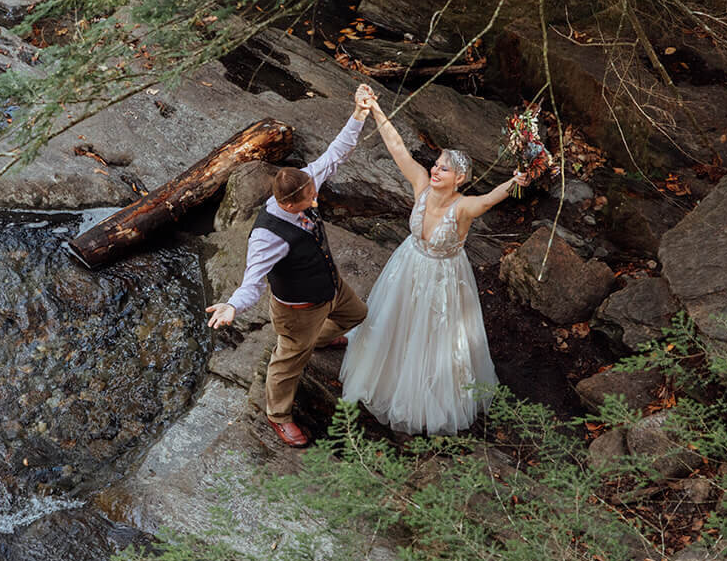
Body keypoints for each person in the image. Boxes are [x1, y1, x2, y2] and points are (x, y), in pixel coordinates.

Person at [339, 92, 530, 435]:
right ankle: (386, 377)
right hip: (409, 265)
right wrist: (377, 110)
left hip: (443, 276)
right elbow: (398, 148)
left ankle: (427, 398)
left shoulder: (464, 207)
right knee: (394, 323)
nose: (435, 169)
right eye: (436, 164)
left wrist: (515, 183)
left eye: (444, 167)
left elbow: (489, 200)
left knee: (434, 337)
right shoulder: (421, 187)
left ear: (459, 178)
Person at [205, 88, 372, 447]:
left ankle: (317, 340)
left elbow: (335, 154)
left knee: (357, 314)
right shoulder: (267, 237)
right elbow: (253, 281)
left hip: (331, 288)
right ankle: (277, 414)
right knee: (286, 363)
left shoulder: (304, 182)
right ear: (289, 202)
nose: (316, 198)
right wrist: (232, 305)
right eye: (310, 198)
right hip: (298, 310)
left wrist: (358, 114)